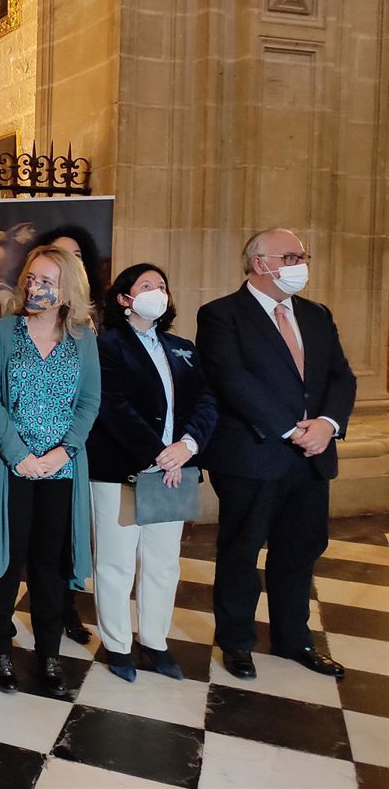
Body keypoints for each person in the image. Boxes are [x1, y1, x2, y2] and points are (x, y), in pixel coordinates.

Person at [196, 228, 356, 681]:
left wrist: (327, 424)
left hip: (312, 455)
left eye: (302, 256)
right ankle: (236, 642)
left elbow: (341, 377)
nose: (299, 265)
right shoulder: (221, 314)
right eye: (290, 257)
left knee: (300, 550)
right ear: (259, 262)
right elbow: (231, 379)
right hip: (253, 454)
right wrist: (290, 429)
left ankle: (294, 640)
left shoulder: (316, 314)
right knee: (242, 550)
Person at [0, 245, 100, 698]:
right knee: (6, 564)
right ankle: (1, 650)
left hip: (61, 470)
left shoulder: (83, 338)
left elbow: (89, 401)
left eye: (47, 281)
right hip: (11, 467)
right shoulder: (3, 332)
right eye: (31, 278)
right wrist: (19, 454)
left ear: (68, 289)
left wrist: (64, 452)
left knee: (50, 567)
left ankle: (49, 653)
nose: (35, 287)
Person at [86, 264, 217, 681]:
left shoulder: (182, 347)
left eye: (162, 285)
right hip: (123, 468)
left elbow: (206, 400)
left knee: (162, 561)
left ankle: (155, 641)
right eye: (147, 286)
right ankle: (118, 645)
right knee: (117, 562)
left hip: (175, 468)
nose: (157, 292)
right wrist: (158, 453)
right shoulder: (106, 346)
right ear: (125, 299)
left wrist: (187, 446)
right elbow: (112, 405)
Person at [37, 228, 106, 644]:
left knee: (69, 534)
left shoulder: (94, 320)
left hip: (82, 438)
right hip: (38, 446)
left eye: (75, 255)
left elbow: (93, 391)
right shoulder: (19, 320)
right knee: (42, 539)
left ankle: (68, 607)